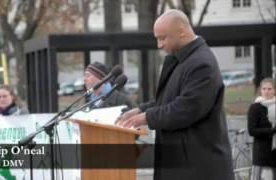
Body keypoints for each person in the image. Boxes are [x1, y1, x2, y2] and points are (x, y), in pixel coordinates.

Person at [116, 9, 234, 180]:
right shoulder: (183, 60)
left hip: (198, 168)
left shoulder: (201, 64)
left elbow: (185, 109)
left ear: (181, 31)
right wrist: (139, 110)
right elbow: (167, 100)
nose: (159, 45)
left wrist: (145, 118)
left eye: (162, 38)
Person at [248, 78, 276, 180]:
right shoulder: (255, 107)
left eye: (270, 89)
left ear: (274, 90)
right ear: (261, 90)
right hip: (262, 154)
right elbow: (252, 131)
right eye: (264, 89)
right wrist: (272, 130)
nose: (267, 91)